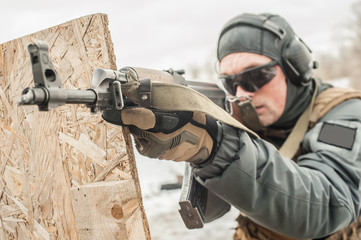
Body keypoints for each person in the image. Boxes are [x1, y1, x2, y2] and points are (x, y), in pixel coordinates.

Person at [102, 13, 361, 239]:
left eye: (256, 76)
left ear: (296, 69)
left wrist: (217, 145)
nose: (241, 93)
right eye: (230, 82)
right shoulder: (256, 116)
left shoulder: (342, 118)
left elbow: (330, 204)